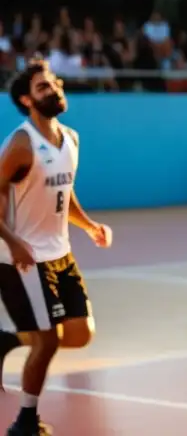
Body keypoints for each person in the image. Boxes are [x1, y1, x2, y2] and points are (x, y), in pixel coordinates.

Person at [0, 60, 112, 435]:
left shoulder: (71, 139)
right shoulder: (20, 144)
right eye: (43, 87)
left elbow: (65, 194)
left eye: (55, 83)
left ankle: (8, 341)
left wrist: (89, 225)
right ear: (26, 99)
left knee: (80, 333)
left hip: (60, 253)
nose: (54, 89)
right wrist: (13, 243)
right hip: (24, 259)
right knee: (47, 341)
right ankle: (25, 422)